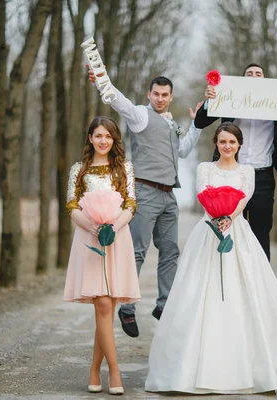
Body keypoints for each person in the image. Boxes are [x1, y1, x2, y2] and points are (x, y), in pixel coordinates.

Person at [145, 122, 277, 395]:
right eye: (223, 141)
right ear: (216, 143)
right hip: (207, 230)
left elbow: (243, 199)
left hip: (236, 230)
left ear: (239, 145)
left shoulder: (247, 171)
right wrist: (215, 216)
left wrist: (228, 218)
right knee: (199, 290)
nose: (227, 146)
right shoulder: (205, 168)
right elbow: (204, 195)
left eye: (232, 142)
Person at [88, 69, 204, 337]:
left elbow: (183, 150)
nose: (160, 99)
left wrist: (196, 124)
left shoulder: (171, 123)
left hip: (168, 194)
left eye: (165, 95)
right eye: (156, 94)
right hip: (145, 190)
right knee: (137, 250)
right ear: (149, 94)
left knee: (171, 250)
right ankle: (127, 308)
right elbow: (120, 101)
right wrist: (102, 81)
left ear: (171, 96)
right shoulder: (141, 115)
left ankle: (164, 305)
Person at [194, 63, 277, 260]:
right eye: (249, 73)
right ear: (242, 79)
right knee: (226, 227)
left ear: (264, 80)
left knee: (260, 231)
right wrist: (209, 102)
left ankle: (259, 283)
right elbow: (200, 122)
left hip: (262, 176)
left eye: (258, 73)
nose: (254, 76)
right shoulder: (229, 98)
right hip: (231, 175)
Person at [64, 116, 141, 395]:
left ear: (114, 139)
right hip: (89, 238)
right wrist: (93, 226)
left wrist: (113, 227)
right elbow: (71, 204)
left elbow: (131, 203)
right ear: (90, 138)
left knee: (105, 307)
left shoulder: (124, 168)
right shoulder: (79, 170)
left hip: (117, 238)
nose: (103, 141)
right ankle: (115, 371)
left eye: (108, 136)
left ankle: (95, 369)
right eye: (98, 135)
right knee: (103, 306)